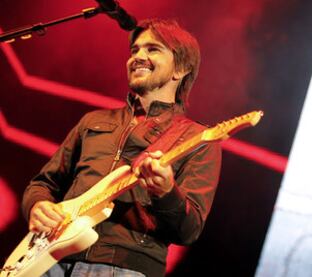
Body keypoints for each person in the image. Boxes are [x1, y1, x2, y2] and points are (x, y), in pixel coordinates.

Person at [21, 18, 222, 277]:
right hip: (49, 258)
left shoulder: (199, 139)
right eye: (135, 50)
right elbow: (43, 184)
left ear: (181, 68)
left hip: (123, 267)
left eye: (153, 49)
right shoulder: (94, 121)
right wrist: (37, 206)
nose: (137, 56)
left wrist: (166, 192)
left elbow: (189, 230)